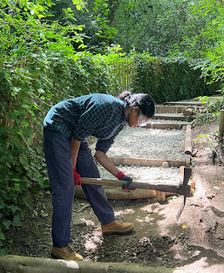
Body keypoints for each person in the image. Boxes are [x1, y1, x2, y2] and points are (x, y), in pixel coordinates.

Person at [43, 91, 155, 261]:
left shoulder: (120, 122)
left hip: (75, 134)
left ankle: (108, 222)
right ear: (135, 109)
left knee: (93, 177)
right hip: (58, 126)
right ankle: (60, 245)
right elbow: (77, 137)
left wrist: (121, 176)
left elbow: (100, 153)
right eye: (142, 120)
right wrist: (72, 169)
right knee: (65, 187)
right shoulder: (107, 106)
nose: (140, 124)